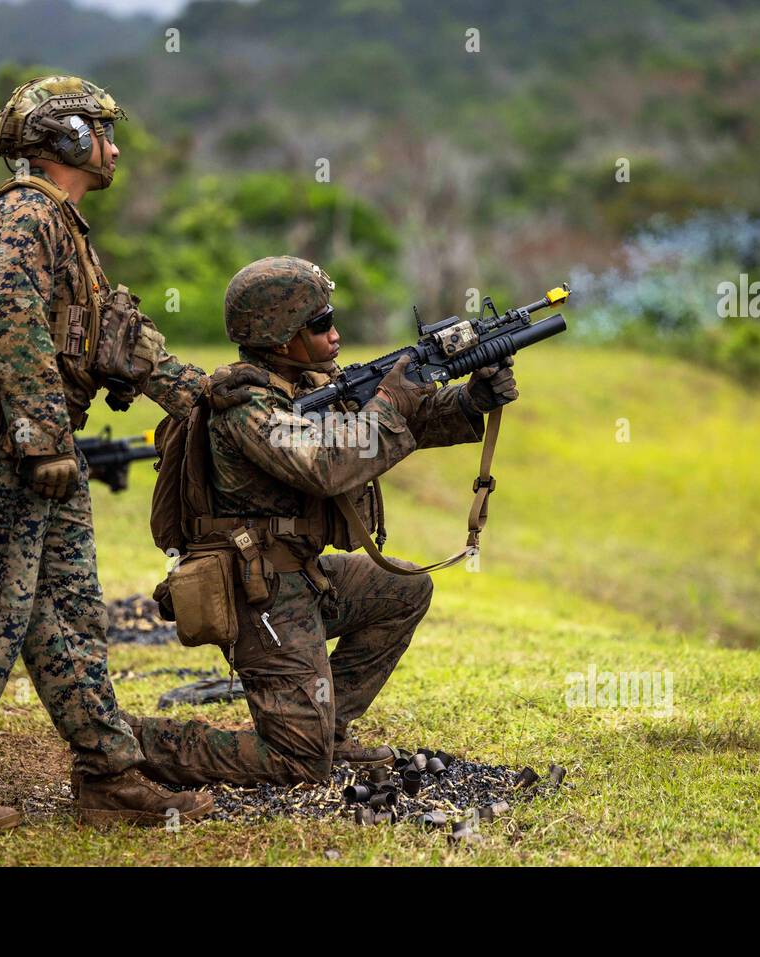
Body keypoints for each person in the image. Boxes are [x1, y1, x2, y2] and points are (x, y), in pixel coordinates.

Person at [0, 76, 264, 830]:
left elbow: (114, 337)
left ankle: (108, 776)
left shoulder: (65, 229)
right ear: (62, 137)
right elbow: (15, 328)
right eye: (101, 128)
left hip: (36, 452)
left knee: (69, 615)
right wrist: (42, 438)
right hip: (1, 449)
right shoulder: (24, 218)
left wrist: (201, 390)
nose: (115, 144)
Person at [126, 256, 519, 785]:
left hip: (298, 577)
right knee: (298, 764)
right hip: (253, 594)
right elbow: (325, 466)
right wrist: (390, 401)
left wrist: (471, 400)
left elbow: (409, 421)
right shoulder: (247, 405)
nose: (334, 332)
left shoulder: (309, 385)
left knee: (402, 591)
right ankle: (129, 741)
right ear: (280, 338)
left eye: (331, 317)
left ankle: (328, 729)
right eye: (318, 324)